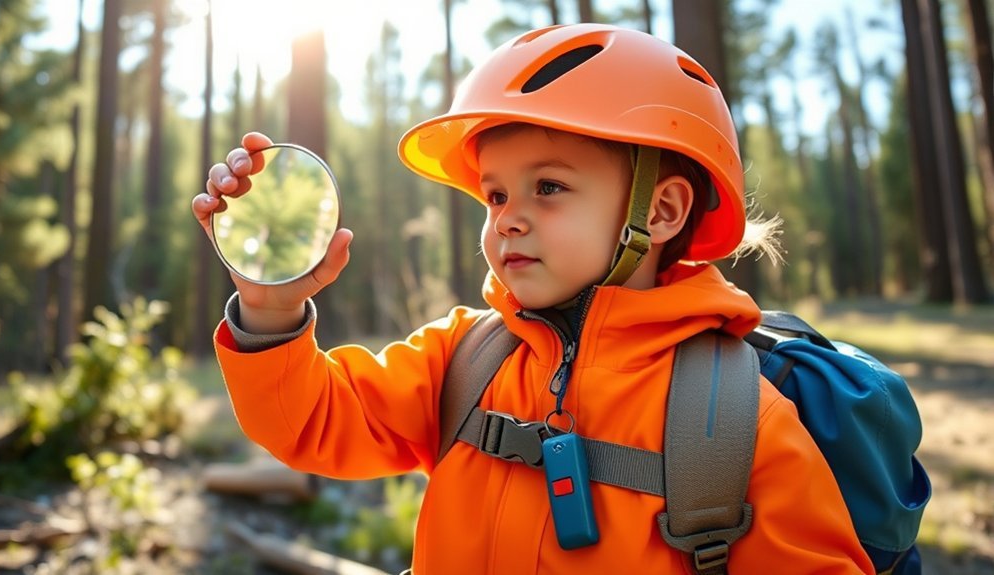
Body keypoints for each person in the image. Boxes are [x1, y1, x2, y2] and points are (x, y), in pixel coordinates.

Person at [192, 23, 875, 574]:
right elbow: (311, 421)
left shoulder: (735, 417)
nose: (506, 219)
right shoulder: (464, 358)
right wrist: (271, 309)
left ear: (661, 211)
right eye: (495, 194)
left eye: (547, 187)